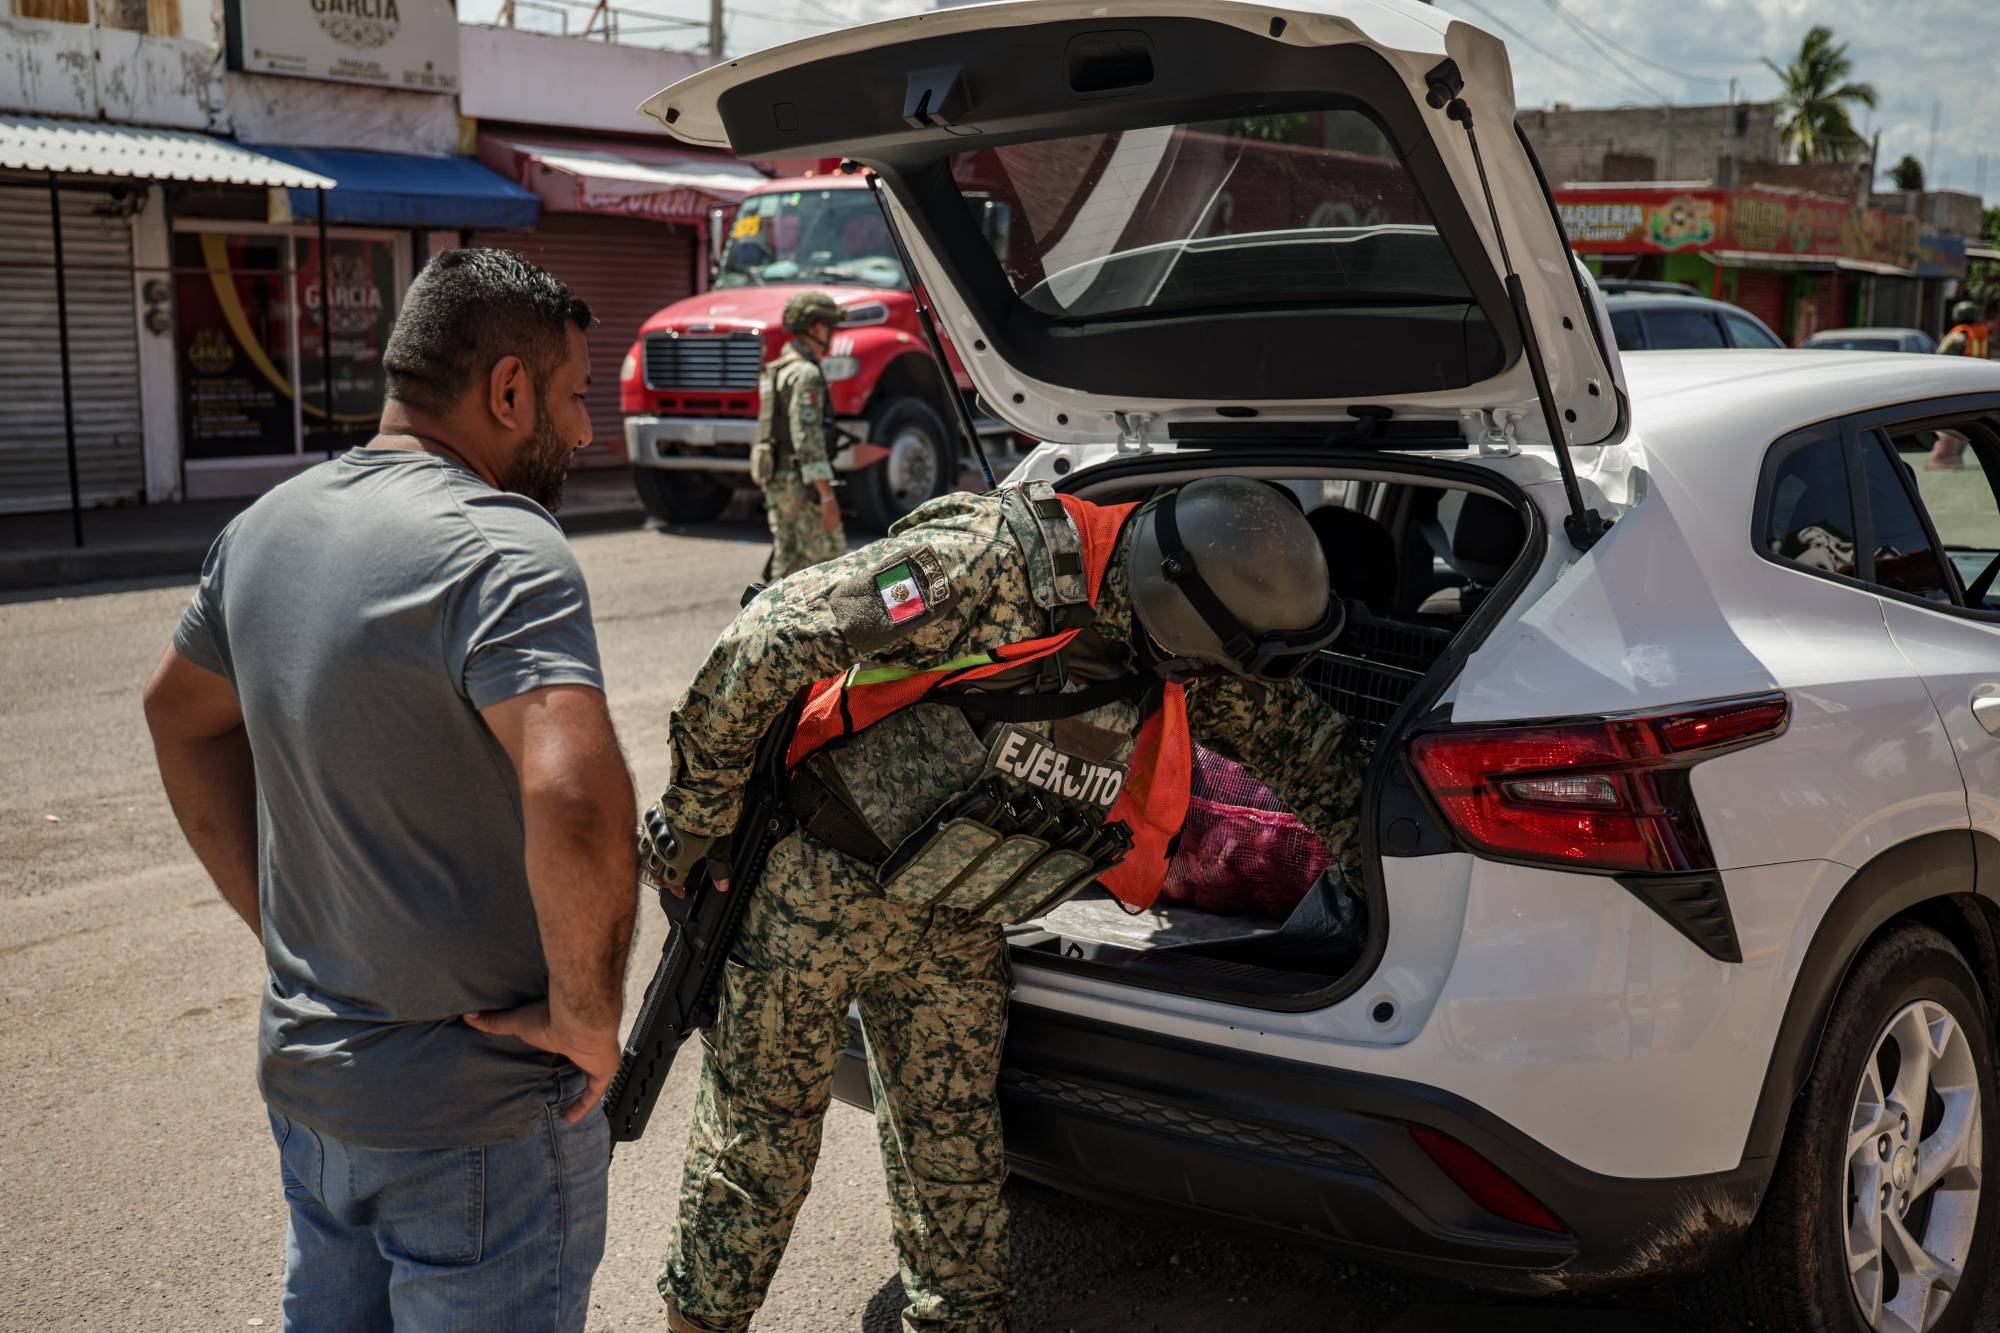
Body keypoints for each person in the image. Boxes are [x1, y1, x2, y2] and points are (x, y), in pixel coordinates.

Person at [643, 476, 1362, 1332]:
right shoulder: (984, 565)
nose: (1208, 684)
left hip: (959, 898)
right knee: (759, 1146)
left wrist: (1386, 856)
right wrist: (695, 821)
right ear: (1173, 610)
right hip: (818, 881)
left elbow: (1298, 740)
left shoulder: (1176, 628)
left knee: (954, 1150)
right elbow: (768, 639)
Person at [141, 248, 638, 1332]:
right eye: (573, 397)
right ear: (506, 391)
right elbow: (577, 801)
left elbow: (176, 716)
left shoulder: (264, 527)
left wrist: (279, 928)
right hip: (478, 1125)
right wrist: (590, 1020)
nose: (587, 431)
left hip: (317, 1092)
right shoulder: (504, 549)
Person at [754, 290, 849, 578]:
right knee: (830, 569)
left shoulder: (778, 370)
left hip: (778, 480)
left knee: (788, 565)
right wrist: (826, 495)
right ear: (816, 327)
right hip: (801, 484)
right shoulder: (805, 374)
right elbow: (806, 438)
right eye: (830, 328)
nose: (831, 336)